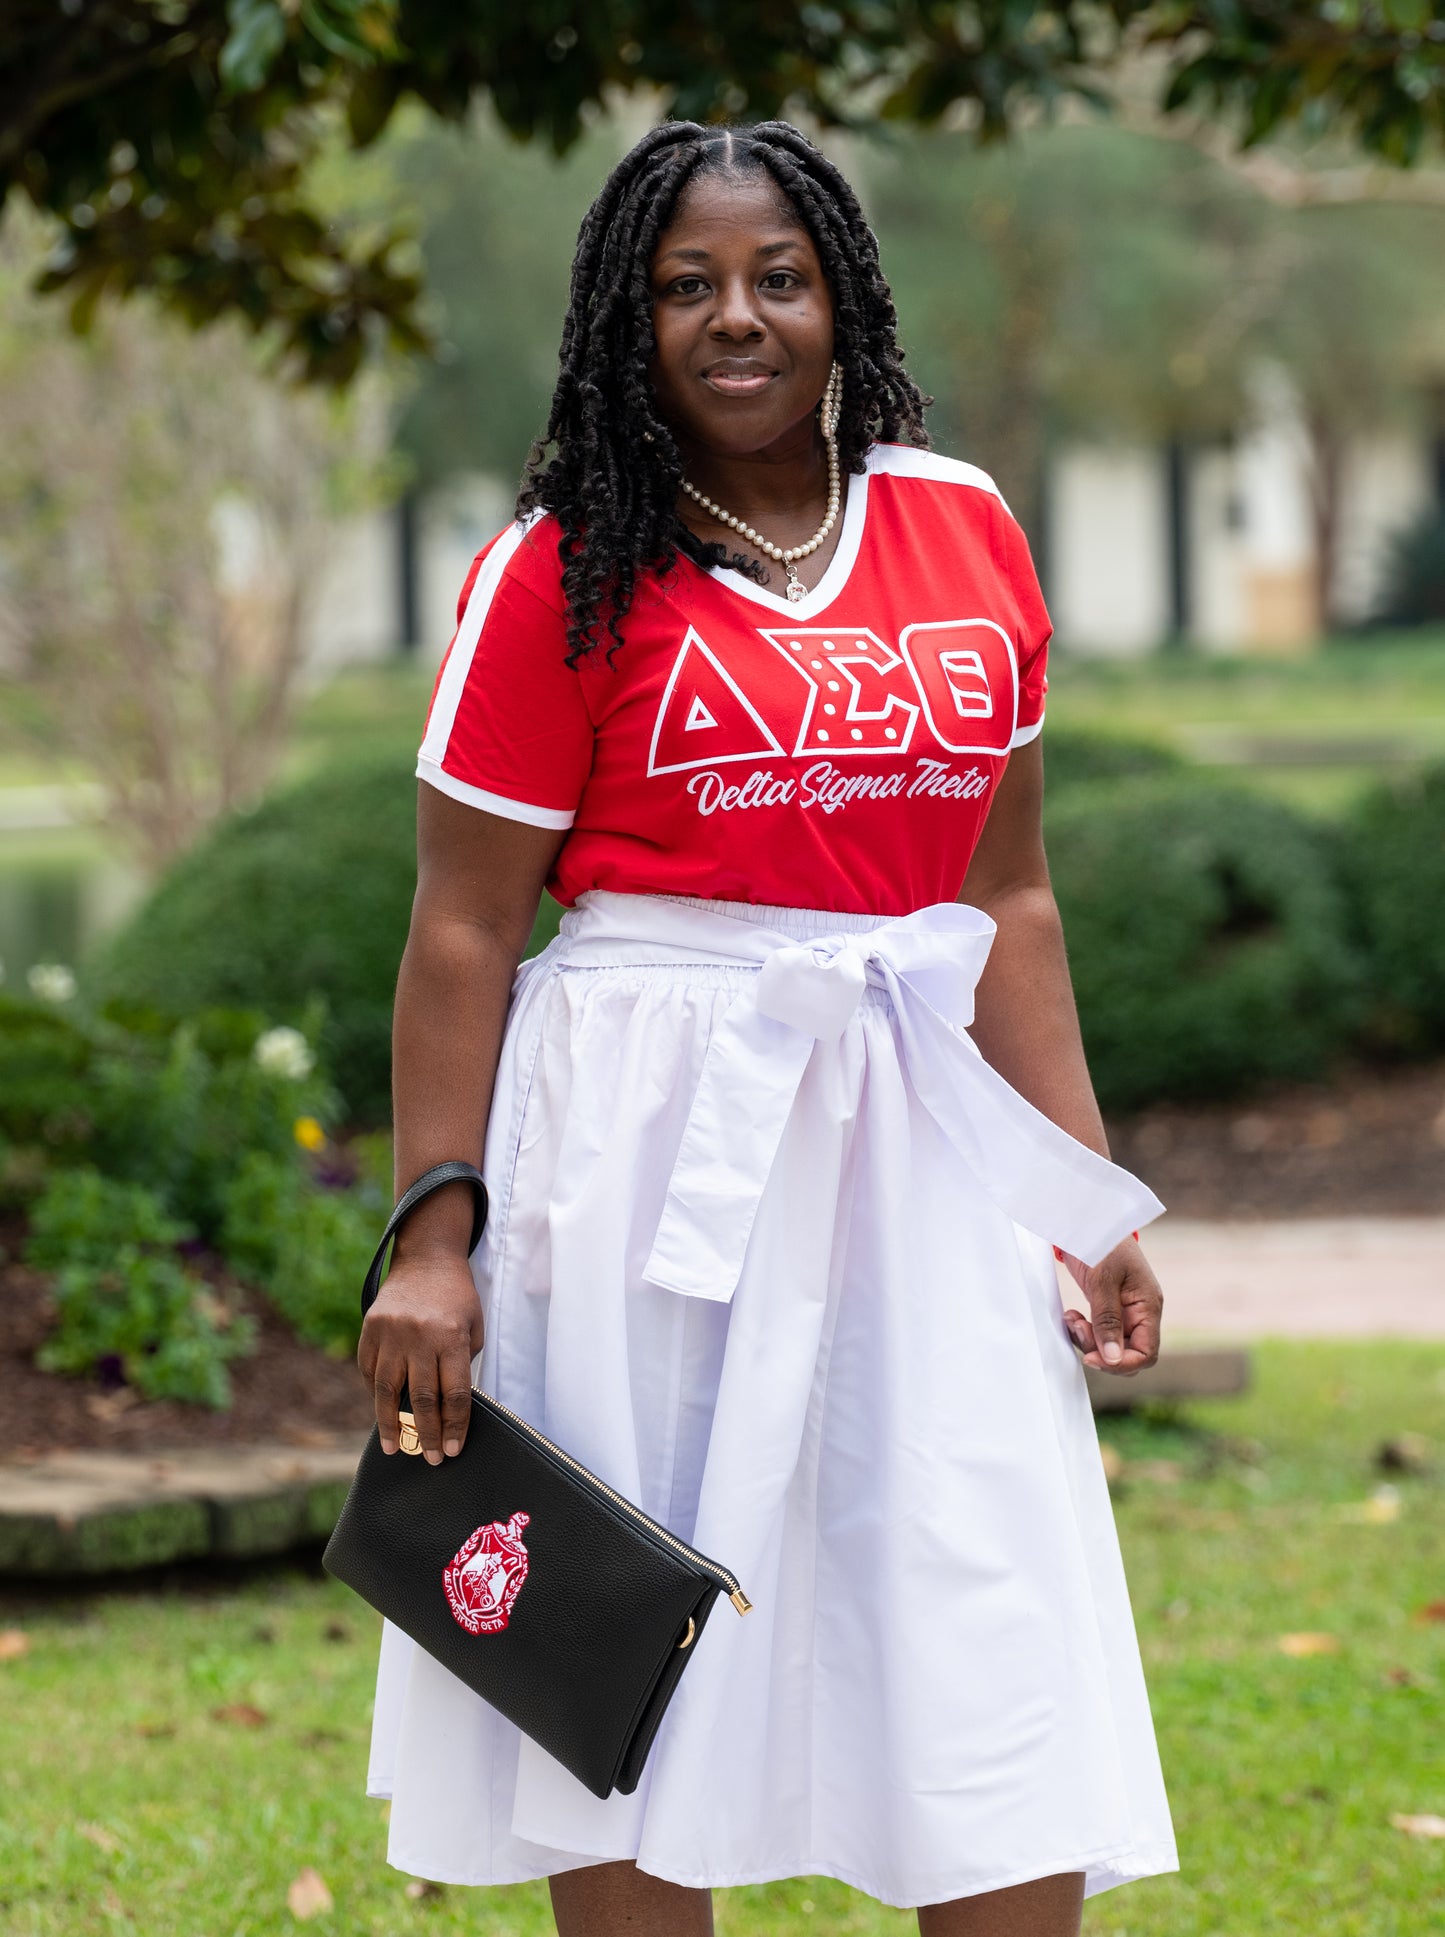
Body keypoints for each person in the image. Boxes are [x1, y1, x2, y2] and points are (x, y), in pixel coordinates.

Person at [359, 119, 1176, 1937]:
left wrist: (1086, 1189)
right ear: (623, 318)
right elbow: (468, 922)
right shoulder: (561, 568)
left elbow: (1010, 897)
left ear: (839, 300)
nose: (737, 318)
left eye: (777, 278)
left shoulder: (958, 522)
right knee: (625, 1614)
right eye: (686, 284)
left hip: (918, 1118)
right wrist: (434, 1232)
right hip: (647, 1133)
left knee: (974, 1590)